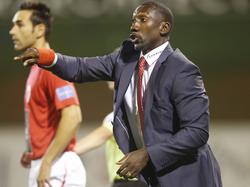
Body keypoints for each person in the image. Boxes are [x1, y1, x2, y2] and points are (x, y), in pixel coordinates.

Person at [15, 1, 222, 187]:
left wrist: (148, 155)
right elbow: (81, 68)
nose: (134, 25)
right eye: (133, 20)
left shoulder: (182, 70)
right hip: (151, 176)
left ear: (163, 27)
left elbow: (197, 131)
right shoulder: (126, 59)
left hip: (188, 175)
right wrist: (47, 57)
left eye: (142, 19)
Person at [9, 2, 86, 187]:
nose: (12, 31)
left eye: (19, 24)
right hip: (45, 164)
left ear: (39, 29)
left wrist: (47, 160)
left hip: (57, 166)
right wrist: (34, 151)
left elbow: (73, 116)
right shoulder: (36, 69)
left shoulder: (52, 68)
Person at [74, 81, 147, 187]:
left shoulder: (122, 114)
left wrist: (67, 152)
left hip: (130, 181)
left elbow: (102, 134)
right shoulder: (142, 110)